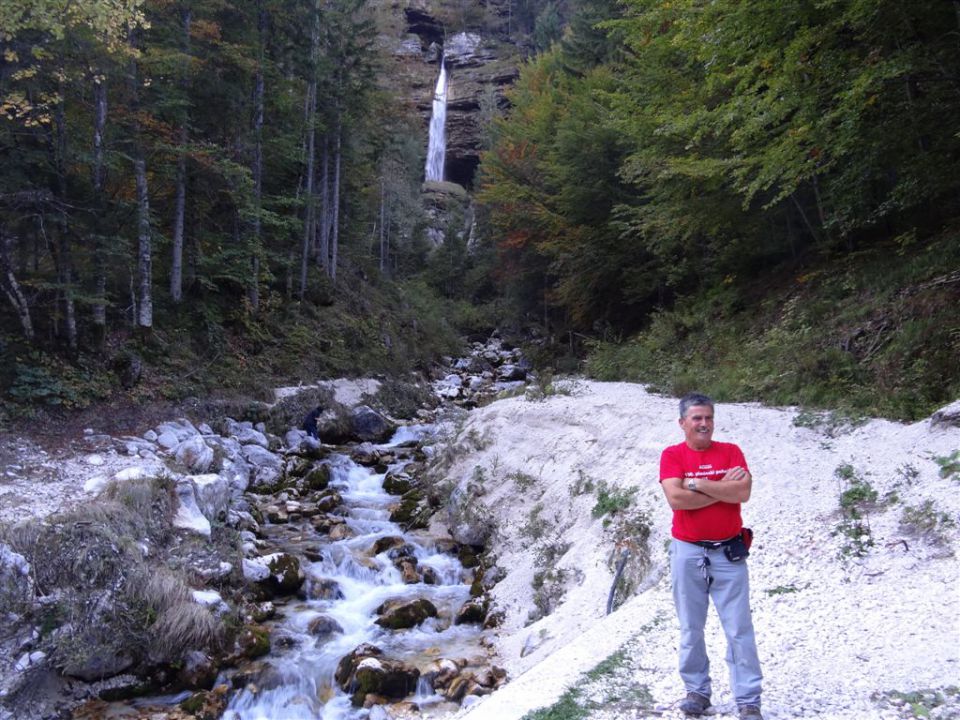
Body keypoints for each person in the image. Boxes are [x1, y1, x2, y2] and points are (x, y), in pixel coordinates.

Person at [659, 392, 764, 720]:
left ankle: (748, 699)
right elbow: (676, 499)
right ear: (683, 423)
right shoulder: (672, 455)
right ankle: (697, 691)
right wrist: (720, 488)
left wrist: (698, 483)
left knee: (738, 627)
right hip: (688, 551)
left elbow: (743, 493)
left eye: (708, 418)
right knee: (691, 626)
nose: (704, 424)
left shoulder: (731, 451)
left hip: (728, 551)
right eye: (697, 418)